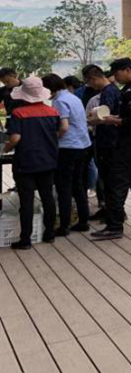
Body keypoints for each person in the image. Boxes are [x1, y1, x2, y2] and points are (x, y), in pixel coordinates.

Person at [91, 57, 131, 241]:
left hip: (129, 143)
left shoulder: (130, 92)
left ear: (127, 70)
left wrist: (113, 120)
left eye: (117, 74)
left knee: (116, 184)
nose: (115, 78)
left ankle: (114, 226)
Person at [1, 77, 59, 249]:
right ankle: (49, 233)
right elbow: (61, 129)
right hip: (48, 160)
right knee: (47, 197)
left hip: (25, 161)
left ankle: (25, 239)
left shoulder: (19, 113)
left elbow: (15, 138)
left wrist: (6, 148)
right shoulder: (52, 111)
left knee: (26, 201)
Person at [42, 74, 92, 236]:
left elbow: (63, 127)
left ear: (50, 88)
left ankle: (64, 226)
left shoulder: (59, 101)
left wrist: (52, 138)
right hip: (83, 145)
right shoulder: (73, 97)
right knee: (78, 185)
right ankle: (83, 221)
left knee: (64, 187)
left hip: (68, 147)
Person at [82, 64, 120, 223]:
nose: (90, 86)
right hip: (106, 140)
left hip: (108, 142)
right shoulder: (110, 91)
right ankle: (108, 210)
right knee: (105, 178)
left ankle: (114, 215)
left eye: (89, 82)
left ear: (93, 79)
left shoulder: (109, 92)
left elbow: (106, 117)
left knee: (109, 180)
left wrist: (91, 120)